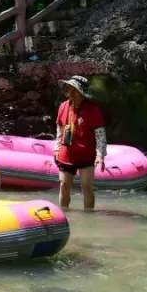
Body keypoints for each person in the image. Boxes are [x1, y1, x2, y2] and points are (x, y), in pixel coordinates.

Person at [55, 75, 107, 210]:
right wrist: (56, 148)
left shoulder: (93, 109)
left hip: (86, 154)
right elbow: (59, 130)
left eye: (74, 89)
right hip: (67, 154)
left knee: (86, 186)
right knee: (63, 185)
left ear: (81, 92)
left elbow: (100, 135)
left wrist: (100, 155)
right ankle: (64, 215)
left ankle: (89, 218)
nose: (70, 92)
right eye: (69, 88)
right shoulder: (63, 107)